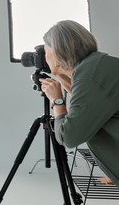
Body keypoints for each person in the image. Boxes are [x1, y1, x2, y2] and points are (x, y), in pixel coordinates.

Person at [39, 20, 119, 188]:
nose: (43, 57)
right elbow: (87, 107)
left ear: (57, 54)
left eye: (45, 51)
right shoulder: (97, 65)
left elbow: (69, 137)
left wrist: (57, 100)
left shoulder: (88, 78)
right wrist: (61, 73)